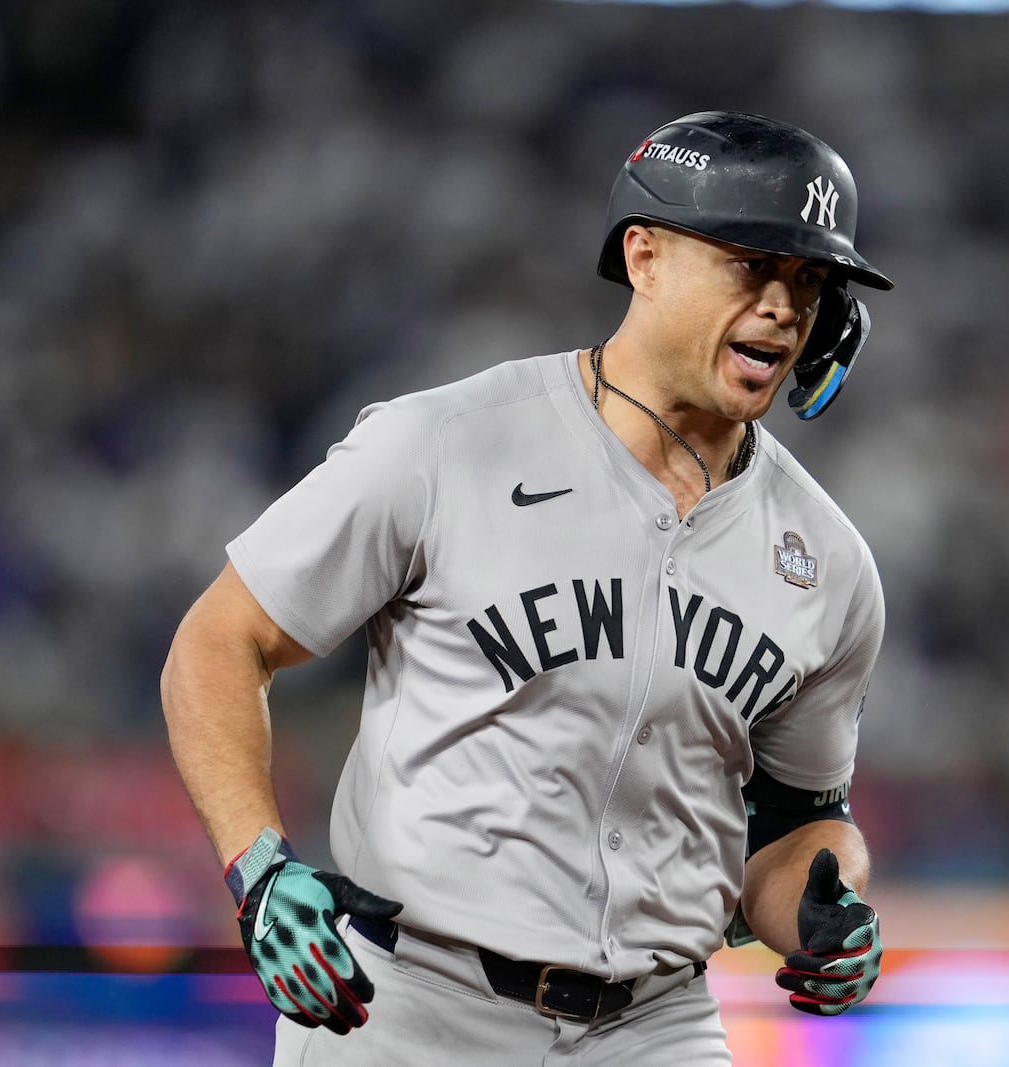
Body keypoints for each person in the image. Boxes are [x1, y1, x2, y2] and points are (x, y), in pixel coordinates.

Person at [162, 110, 894, 1066]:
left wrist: (824, 909)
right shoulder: (444, 444)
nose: (783, 308)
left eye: (809, 281)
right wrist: (258, 866)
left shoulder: (829, 562)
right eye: (750, 265)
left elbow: (798, 825)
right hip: (408, 1002)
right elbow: (219, 643)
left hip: (657, 1023)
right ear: (645, 257)